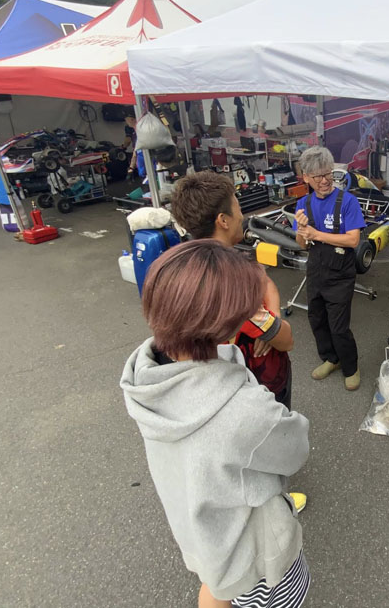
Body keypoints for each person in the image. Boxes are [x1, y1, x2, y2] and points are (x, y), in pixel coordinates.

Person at [120, 240, 311, 608]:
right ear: (223, 324)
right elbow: (295, 448)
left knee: (215, 588)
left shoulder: (148, 377)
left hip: (203, 536)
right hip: (258, 562)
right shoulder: (244, 412)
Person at [170, 171, 306, 513]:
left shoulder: (180, 267)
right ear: (223, 219)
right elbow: (286, 341)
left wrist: (269, 315)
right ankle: (271, 504)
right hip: (252, 387)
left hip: (204, 390)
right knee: (260, 453)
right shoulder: (232, 282)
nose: (243, 213)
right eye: (237, 205)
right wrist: (272, 329)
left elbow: (266, 283)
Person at [293, 146, 366, 391]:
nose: (324, 181)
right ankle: (331, 358)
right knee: (317, 319)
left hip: (340, 274)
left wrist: (316, 234)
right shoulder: (303, 204)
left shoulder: (348, 202)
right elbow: (302, 244)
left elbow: (353, 240)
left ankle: (351, 367)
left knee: (338, 327)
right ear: (306, 177)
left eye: (328, 174)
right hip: (315, 271)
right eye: (318, 176)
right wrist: (302, 231)